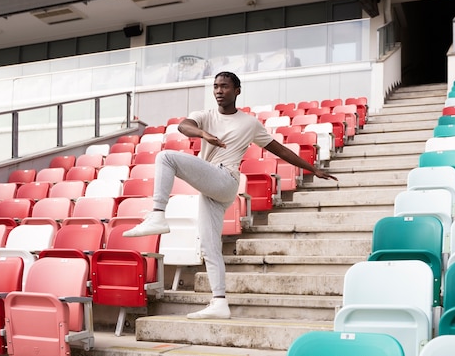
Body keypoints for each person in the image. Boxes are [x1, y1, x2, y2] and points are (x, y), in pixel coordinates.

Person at [123, 71, 338, 319]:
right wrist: (202, 134)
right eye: (215, 86)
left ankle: (158, 214)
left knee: (166, 157)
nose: (218, 91)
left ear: (237, 91)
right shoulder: (205, 116)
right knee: (209, 245)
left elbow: (279, 149)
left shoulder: (249, 123)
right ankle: (219, 302)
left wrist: (312, 168)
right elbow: (184, 126)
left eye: (224, 86)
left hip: (225, 178)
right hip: (212, 187)